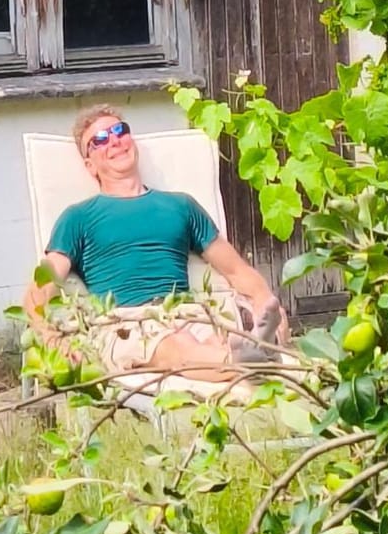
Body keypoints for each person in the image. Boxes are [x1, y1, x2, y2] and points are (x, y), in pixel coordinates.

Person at [23, 106, 288, 382]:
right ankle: (251, 362)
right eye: (99, 139)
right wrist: (52, 339)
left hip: (188, 313)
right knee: (177, 348)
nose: (114, 140)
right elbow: (41, 288)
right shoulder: (78, 217)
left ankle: (246, 359)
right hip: (126, 322)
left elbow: (235, 269)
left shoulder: (180, 205)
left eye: (119, 131)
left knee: (210, 343)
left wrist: (265, 301)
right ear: (90, 165)